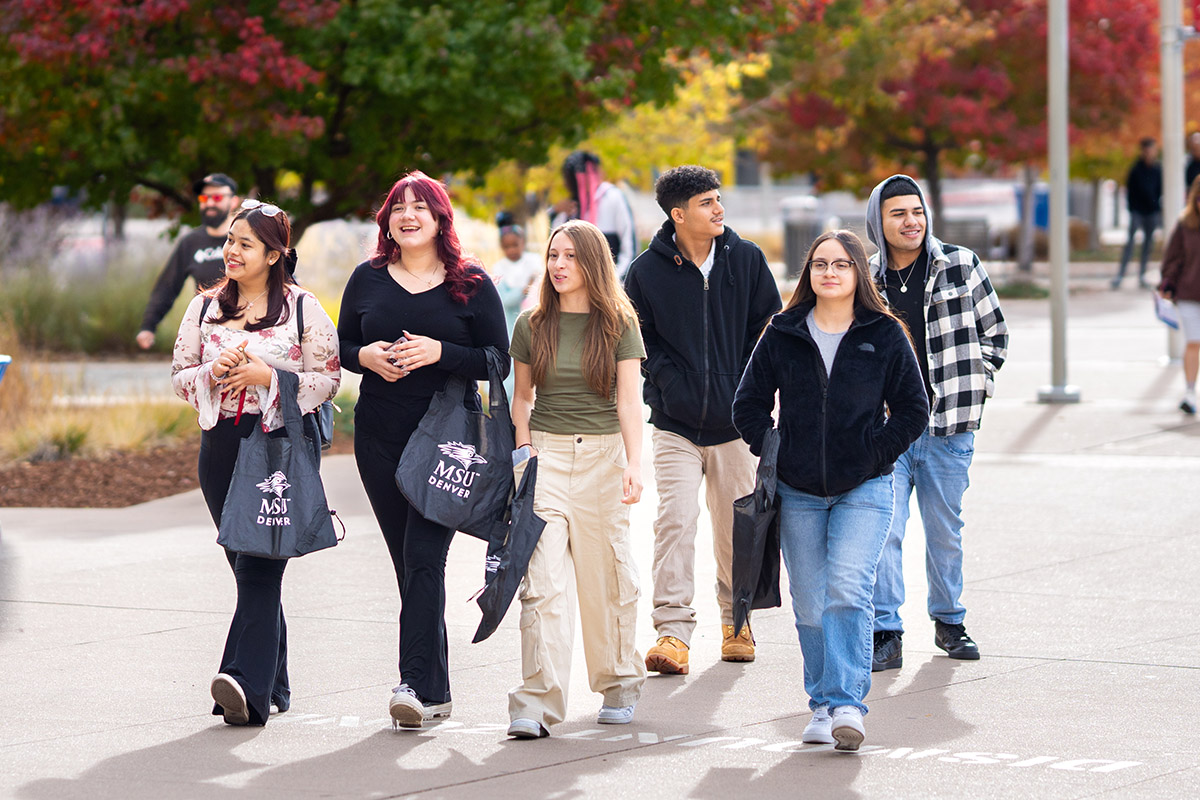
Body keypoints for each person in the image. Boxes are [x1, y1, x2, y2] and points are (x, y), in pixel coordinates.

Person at [732, 230, 928, 751]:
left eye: (841, 265)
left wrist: (874, 452)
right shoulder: (784, 331)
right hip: (796, 491)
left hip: (864, 486)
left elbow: (914, 410)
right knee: (810, 602)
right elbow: (747, 404)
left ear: (858, 273)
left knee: (848, 589)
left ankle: (846, 703)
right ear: (809, 273)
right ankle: (820, 702)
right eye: (820, 264)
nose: (830, 273)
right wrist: (774, 447)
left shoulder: (883, 334)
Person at [337, 171, 509, 729]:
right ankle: (433, 690)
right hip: (379, 437)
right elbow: (341, 345)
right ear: (386, 220)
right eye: (397, 207)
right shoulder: (367, 279)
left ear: (440, 219)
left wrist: (440, 352)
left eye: (420, 207)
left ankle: (416, 686)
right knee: (408, 567)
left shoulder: (471, 282)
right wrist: (365, 358)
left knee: (423, 560)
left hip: (446, 444)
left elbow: (497, 361)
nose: (407, 215)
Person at [171, 198, 341, 726]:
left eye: (244, 244)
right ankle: (276, 684)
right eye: (229, 241)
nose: (231, 251)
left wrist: (269, 378)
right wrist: (210, 373)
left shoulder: (303, 308)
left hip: (277, 448)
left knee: (259, 568)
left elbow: (329, 380)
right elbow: (180, 372)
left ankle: (244, 686)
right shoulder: (204, 307)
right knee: (247, 569)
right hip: (220, 446)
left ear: (274, 254)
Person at [624, 165, 781, 673]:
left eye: (718, 199)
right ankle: (672, 634)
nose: (719, 209)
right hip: (675, 424)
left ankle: (737, 622)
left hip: (737, 423)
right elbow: (638, 341)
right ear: (678, 213)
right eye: (707, 202)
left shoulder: (747, 259)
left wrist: (751, 391)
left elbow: (770, 330)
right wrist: (671, 382)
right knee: (675, 521)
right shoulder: (645, 272)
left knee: (737, 526)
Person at [506, 219, 647, 740]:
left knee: (607, 575)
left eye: (569, 256)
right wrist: (523, 448)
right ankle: (536, 702)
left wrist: (635, 465)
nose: (559, 265)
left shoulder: (618, 323)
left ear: (592, 263)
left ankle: (618, 683)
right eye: (552, 256)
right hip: (545, 457)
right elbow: (522, 397)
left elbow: (630, 402)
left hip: (605, 457)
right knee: (540, 584)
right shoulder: (532, 323)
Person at [865, 175, 1008, 673]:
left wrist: (978, 382)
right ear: (878, 224)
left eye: (917, 212)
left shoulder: (961, 265)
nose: (911, 222)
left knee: (945, 531)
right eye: (898, 214)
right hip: (888, 431)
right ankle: (887, 632)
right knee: (885, 531)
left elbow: (997, 334)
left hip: (950, 428)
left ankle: (950, 622)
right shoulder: (868, 279)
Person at [139, 173, 241, 349]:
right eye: (204, 197)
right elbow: (168, 286)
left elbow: (281, 279)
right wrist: (148, 326)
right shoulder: (191, 242)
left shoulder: (248, 239)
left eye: (217, 197)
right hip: (207, 335)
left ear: (233, 201)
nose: (209, 203)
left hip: (248, 331)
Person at [551, 151, 637, 279]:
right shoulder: (570, 207)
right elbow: (555, 245)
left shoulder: (612, 197)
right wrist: (556, 212)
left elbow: (628, 244)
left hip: (612, 281)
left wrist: (616, 279)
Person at [1157, 175, 1200, 415]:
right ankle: (1190, 393)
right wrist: (1168, 282)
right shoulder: (1186, 225)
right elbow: (1172, 259)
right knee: (1194, 341)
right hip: (1190, 293)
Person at [1113, 138, 1163, 290]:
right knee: (1130, 243)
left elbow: (1160, 189)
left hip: (1152, 212)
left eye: (1152, 150)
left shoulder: (1158, 170)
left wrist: (1156, 207)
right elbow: (1129, 191)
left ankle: (1142, 275)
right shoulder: (1135, 169)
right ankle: (1120, 275)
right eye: (1147, 150)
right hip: (1137, 211)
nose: (1149, 153)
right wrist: (1132, 208)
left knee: (1148, 245)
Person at [490, 215, 543, 333]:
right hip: (511, 324)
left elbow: (540, 287)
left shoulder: (533, 261)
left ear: (522, 242)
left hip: (535, 321)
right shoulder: (499, 269)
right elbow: (504, 299)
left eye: (515, 245)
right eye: (507, 247)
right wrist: (524, 290)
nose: (512, 250)